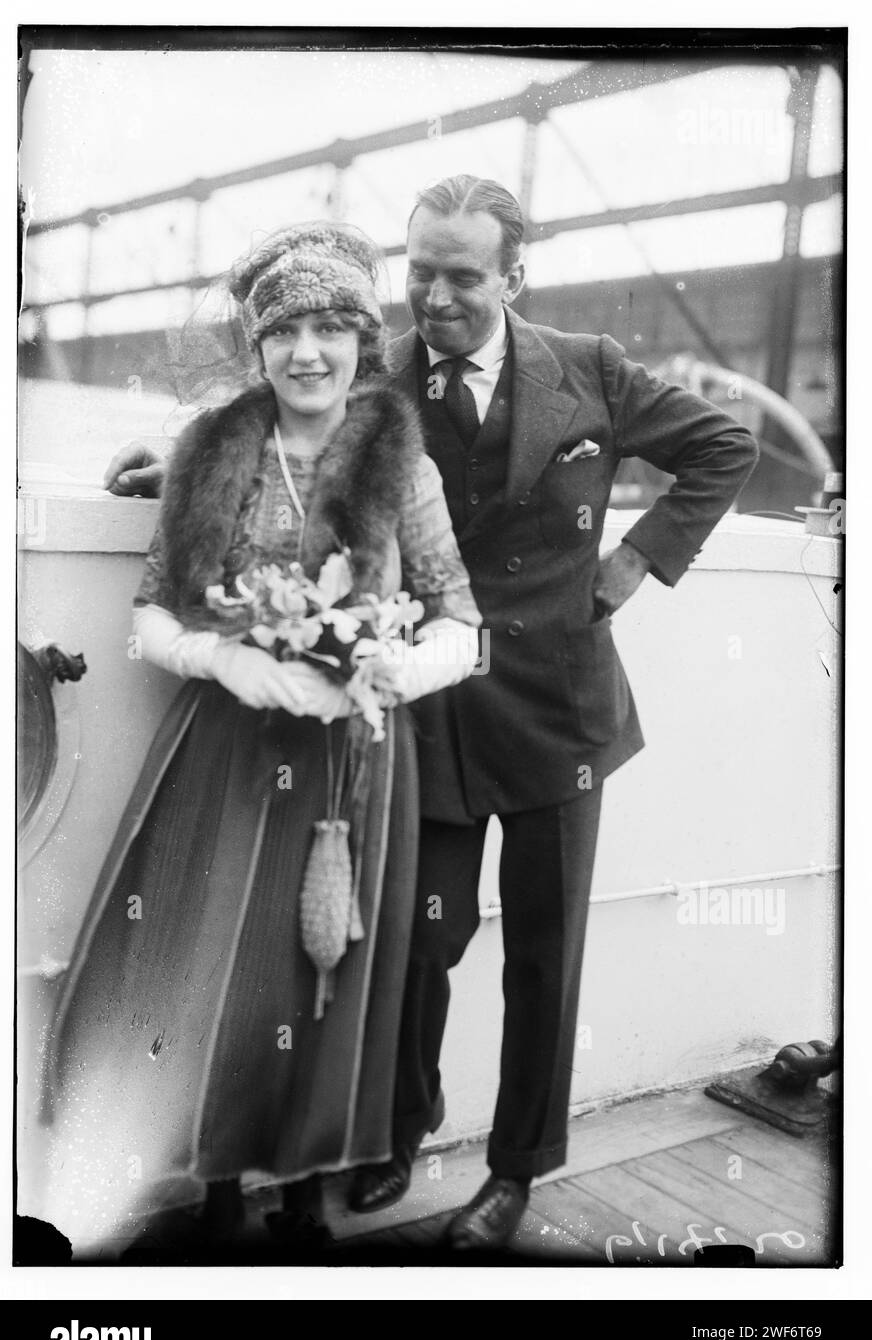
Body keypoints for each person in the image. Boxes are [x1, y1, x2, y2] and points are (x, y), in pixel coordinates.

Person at [105, 176, 759, 1253]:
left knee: (545, 953)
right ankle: (397, 1134)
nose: (437, 295)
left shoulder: (588, 368)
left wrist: (632, 563)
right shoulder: (381, 370)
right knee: (418, 938)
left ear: (512, 275)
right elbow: (284, 425)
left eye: (462, 275)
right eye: (421, 270)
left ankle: (514, 1173)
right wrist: (177, 464)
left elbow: (720, 449)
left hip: (561, 716)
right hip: (433, 717)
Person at [44, 221, 481, 1256]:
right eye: (287, 329)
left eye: (334, 326)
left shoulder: (397, 466)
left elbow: (461, 625)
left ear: (362, 344)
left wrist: (390, 667)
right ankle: (219, 1186)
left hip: (351, 760)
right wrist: (233, 658)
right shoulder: (210, 456)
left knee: (318, 967)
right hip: (225, 755)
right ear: (258, 346)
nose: (309, 352)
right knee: (213, 961)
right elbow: (152, 617)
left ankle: (302, 1189)